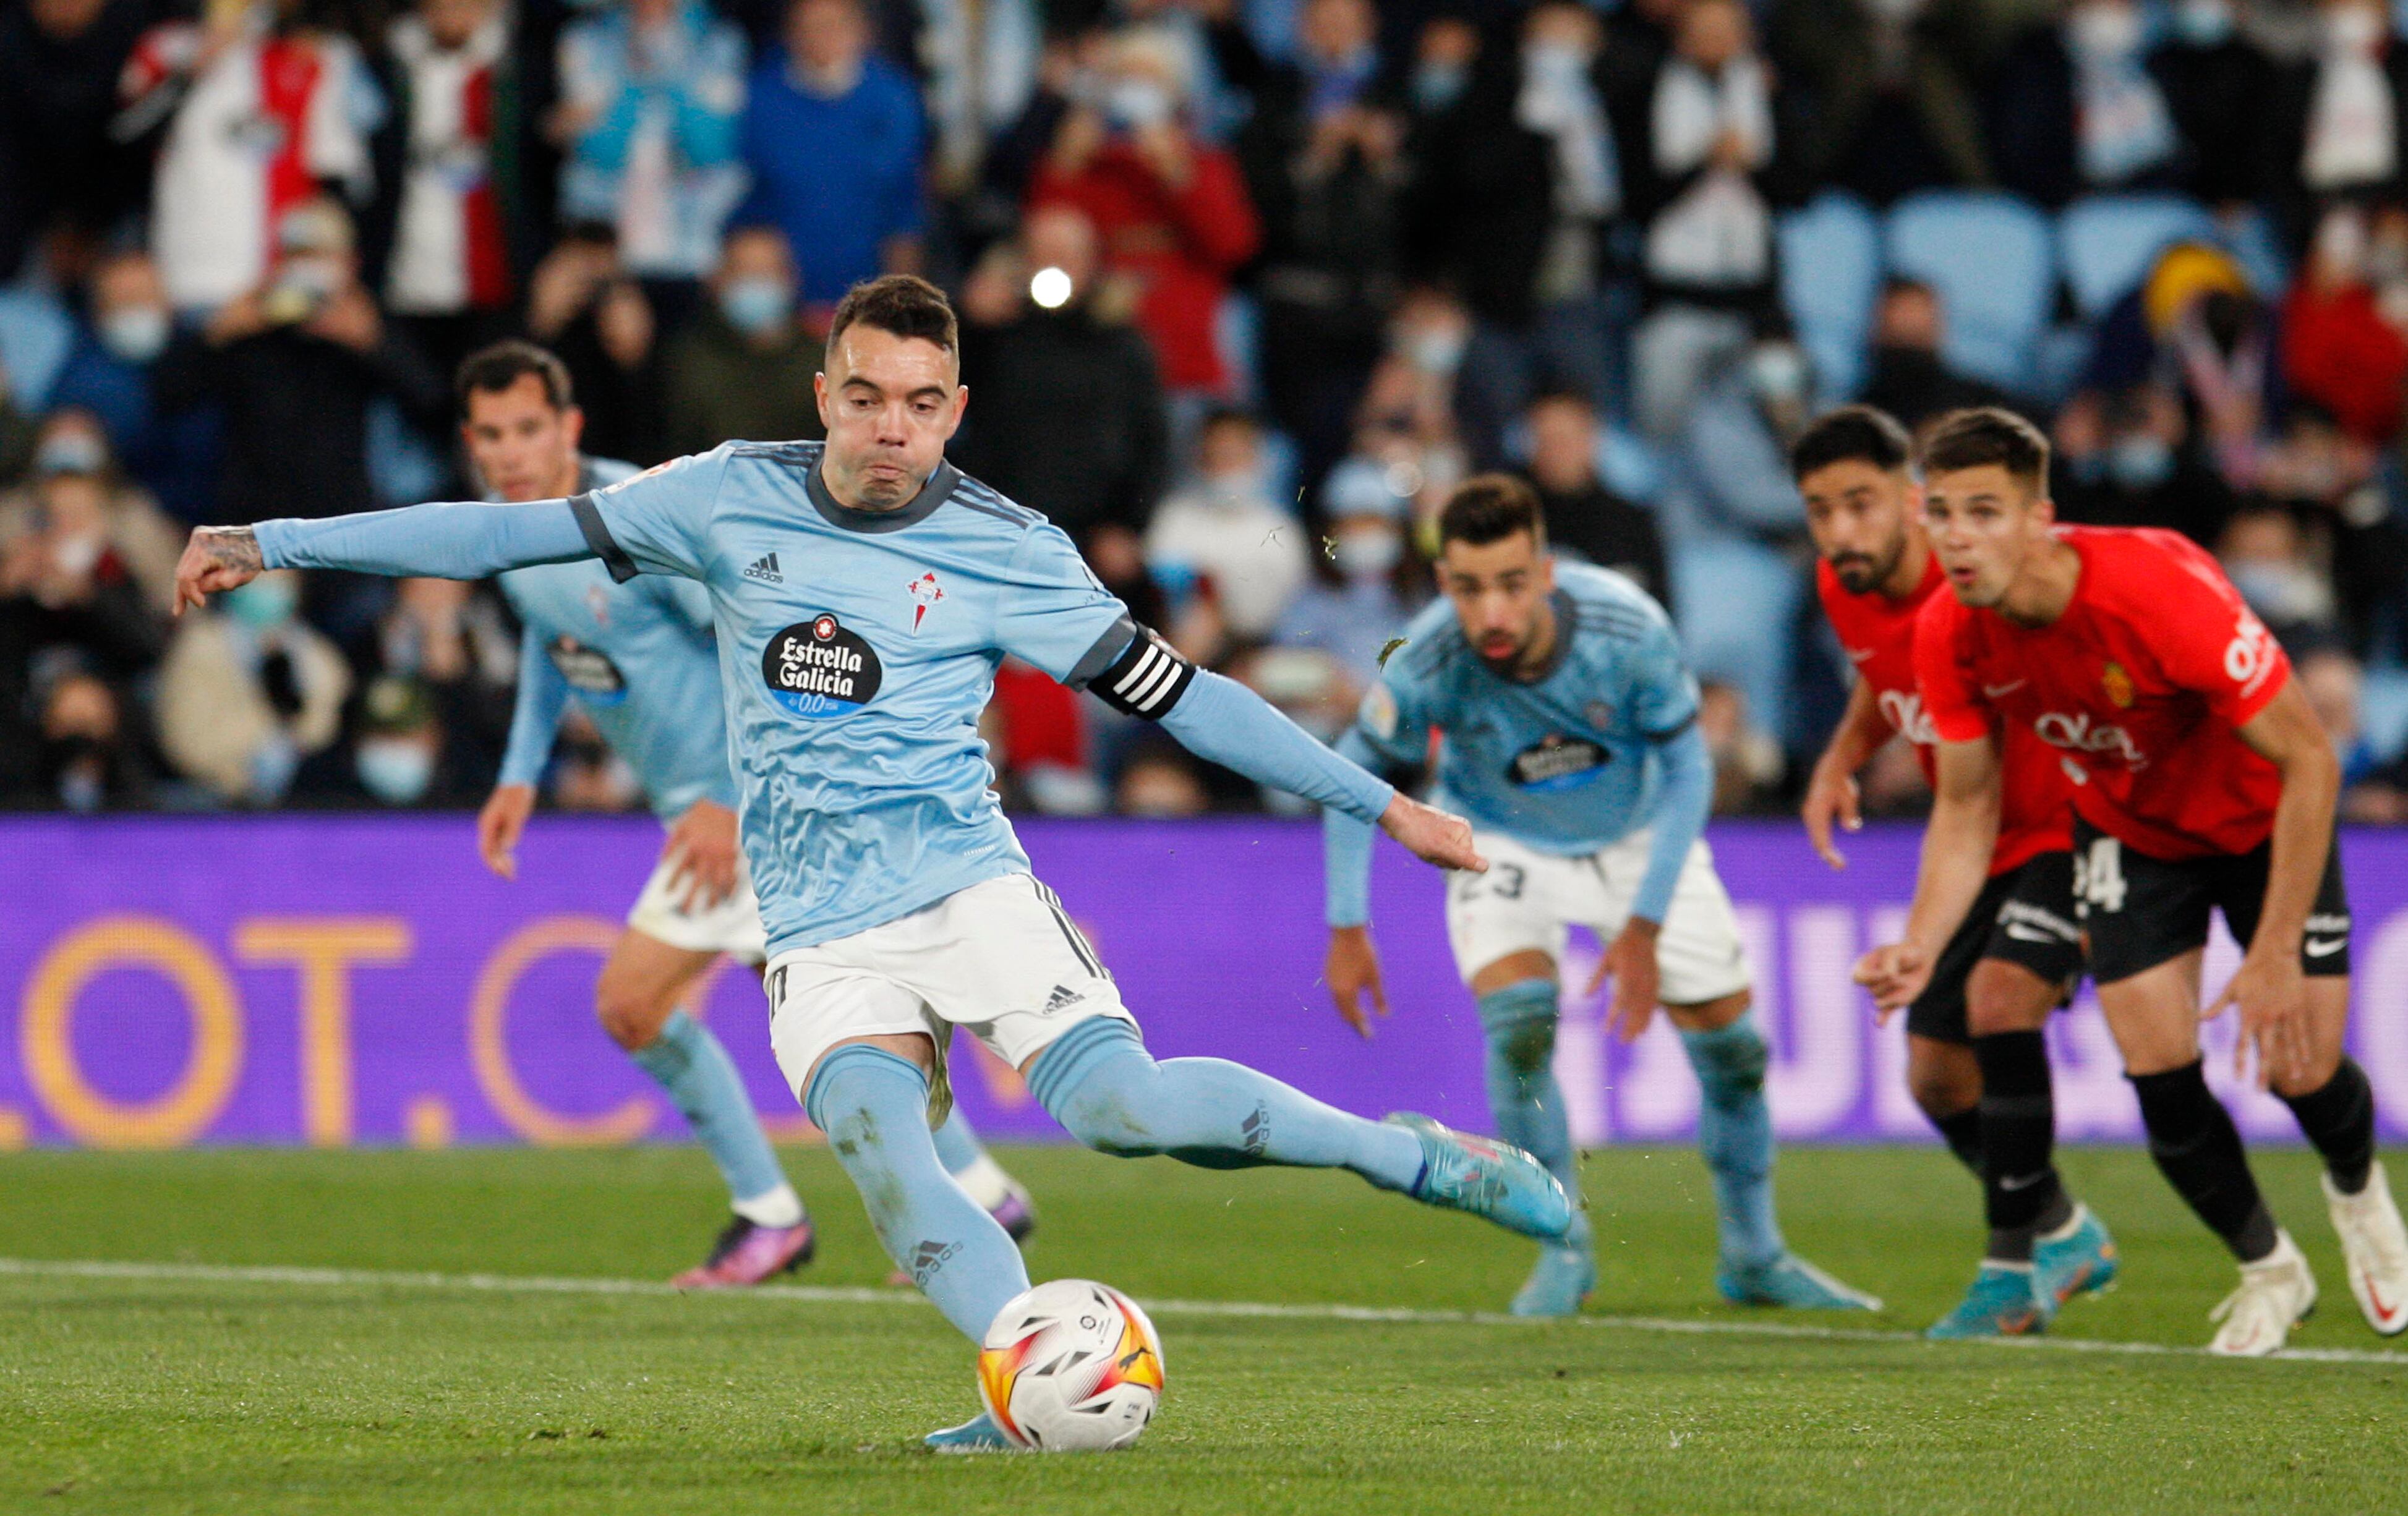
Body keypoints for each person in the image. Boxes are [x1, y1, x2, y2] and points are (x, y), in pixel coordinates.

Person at [173, 276, 1568, 1447]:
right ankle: (1022, 1386)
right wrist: (269, 540)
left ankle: (1409, 1155)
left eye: (919, 401)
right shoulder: (724, 495)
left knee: (1124, 1109)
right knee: (891, 1167)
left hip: (966, 885)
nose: (890, 426)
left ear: (954, 409)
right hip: (817, 924)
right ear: (824, 395)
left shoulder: (1011, 550)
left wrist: (1380, 804)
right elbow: (500, 539)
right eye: (864, 396)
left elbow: (1185, 696)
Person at [453, 338, 1031, 1284]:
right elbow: (551, 637)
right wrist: (520, 773)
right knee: (844, 1016)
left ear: (569, 428)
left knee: (632, 1004)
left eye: (527, 430)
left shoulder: (632, 523)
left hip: (754, 807)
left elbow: (758, 639)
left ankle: (770, 1215)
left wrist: (727, 802)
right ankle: (975, 1188)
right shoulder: (518, 534)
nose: (510, 452)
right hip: (717, 812)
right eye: (490, 435)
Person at [1855, 407, 2408, 1356]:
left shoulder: (2155, 589)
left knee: (2299, 1068)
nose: (1956, 537)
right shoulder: (1949, 631)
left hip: (2260, 820)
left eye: (1983, 512)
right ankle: (2269, 1269)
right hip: (2131, 833)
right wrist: (1921, 940)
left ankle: (2358, 1196)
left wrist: (2274, 949)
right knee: (2158, 1072)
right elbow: (1966, 805)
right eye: (1939, 513)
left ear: (2038, 518)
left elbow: (2311, 761)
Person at [1321, 473, 1880, 1319]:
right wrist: (1346, 924)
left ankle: (1755, 1254)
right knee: (1518, 1024)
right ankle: (1563, 1243)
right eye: (1469, 590)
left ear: (1546, 573)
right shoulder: (1428, 658)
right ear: (1444, 584)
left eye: (1512, 585)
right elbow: (1348, 773)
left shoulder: (1627, 626)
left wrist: (1643, 925)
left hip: (1636, 832)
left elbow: (1688, 767)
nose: (1492, 613)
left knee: (1734, 1052)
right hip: (1497, 837)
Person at [1793, 406, 2116, 1338]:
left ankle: (2009, 1273)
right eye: (1820, 511)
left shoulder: (1977, 574)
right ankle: (2064, 1229)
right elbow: (1883, 671)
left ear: (1911, 500)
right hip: (1979, 840)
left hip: (2072, 822)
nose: (1840, 531)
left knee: (2000, 1001)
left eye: (1860, 504)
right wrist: (1841, 755)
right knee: (1935, 1077)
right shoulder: (1842, 584)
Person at [736, 0, 926, 309]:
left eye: (833, 25)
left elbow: (904, 208)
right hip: (777, 292)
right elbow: (743, 194)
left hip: (866, 289)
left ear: (862, 30)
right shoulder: (758, 96)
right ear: (788, 33)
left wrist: (900, 303)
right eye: (808, 27)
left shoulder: (894, 99)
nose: (821, 38)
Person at [662, 225, 826, 459]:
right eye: (745, 272)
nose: (757, 283)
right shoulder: (685, 362)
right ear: (718, 279)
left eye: (767, 272)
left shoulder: (819, 363)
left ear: (791, 278)